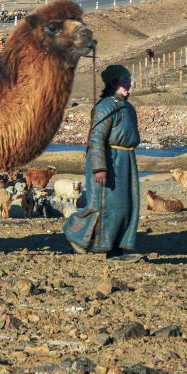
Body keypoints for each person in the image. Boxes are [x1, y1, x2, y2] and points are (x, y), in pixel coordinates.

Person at [62, 63, 142, 261]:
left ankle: (116, 248)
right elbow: (96, 138)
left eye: (128, 81)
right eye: (124, 82)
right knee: (105, 206)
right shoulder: (105, 106)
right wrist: (100, 168)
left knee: (124, 206)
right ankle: (75, 232)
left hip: (126, 160)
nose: (128, 86)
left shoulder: (127, 107)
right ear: (113, 83)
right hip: (110, 160)